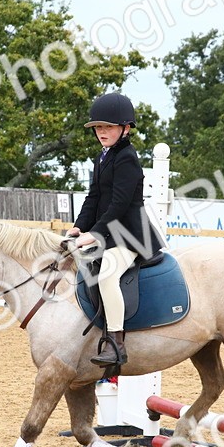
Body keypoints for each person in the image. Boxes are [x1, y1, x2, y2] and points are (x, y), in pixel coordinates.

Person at [67, 92, 162, 368]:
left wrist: (93, 234)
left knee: (107, 272)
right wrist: (78, 227)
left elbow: (119, 205)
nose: (101, 132)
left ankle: (116, 343)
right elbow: (93, 198)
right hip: (109, 232)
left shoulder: (127, 158)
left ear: (125, 128)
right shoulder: (102, 158)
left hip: (131, 236)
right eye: (98, 127)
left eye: (107, 127)